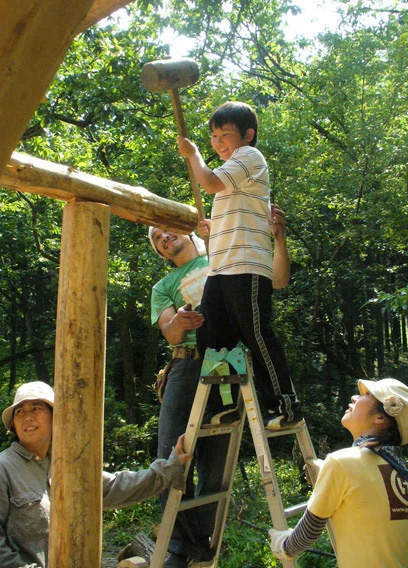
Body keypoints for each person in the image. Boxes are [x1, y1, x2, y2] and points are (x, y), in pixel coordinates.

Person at [149, 204, 291, 568]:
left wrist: (278, 238)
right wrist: (180, 321)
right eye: (157, 238)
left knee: (215, 467)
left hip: (228, 365)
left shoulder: (223, 256)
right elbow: (170, 333)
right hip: (187, 365)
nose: (163, 237)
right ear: (160, 251)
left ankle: (199, 544)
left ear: (189, 229)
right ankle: (182, 547)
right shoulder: (163, 287)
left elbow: (277, 280)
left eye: (167, 229)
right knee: (169, 455)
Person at [176, 100, 301, 430]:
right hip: (221, 270)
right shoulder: (234, 170)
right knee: (213, 340)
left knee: (256, 334)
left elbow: (210, 183)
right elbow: (238, 215)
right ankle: (226, 403)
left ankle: (285, 404)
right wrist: (214, 228)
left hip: (246, 267)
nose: (218, 142)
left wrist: (193, 155)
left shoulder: (249, 156)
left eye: (225, 135)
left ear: (247, 135)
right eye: (213, 136)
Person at [0, 381, 192, 568]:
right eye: (20, 411)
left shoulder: (66, 464)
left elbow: (117, 487)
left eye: (36, 408)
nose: (27, 417)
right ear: (14, 425)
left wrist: (170, 467)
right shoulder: (4, 468)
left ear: (54, 417)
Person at [268, 378, 408, 568]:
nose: (354, 397)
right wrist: (327, 471)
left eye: (366, 395)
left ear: (380, 418)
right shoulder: (398, 468)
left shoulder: (342, 463)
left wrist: (282, 546)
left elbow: (307, 533)